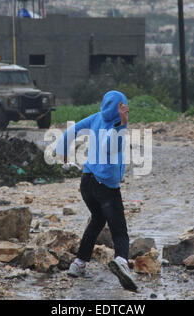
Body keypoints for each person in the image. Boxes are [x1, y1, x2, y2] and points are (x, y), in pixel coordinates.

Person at [55, 90, 137, 292]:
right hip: (106, 187)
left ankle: (79, 264)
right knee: (119, 230)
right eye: (124, 106)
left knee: (98, 220)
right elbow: (110, 147)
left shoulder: (97, 117)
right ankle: (121, 262)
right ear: (121, 107)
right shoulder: (115, 124)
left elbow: (71, 131)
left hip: (87, 184)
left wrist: (63, 152)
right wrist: (122, 124)